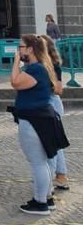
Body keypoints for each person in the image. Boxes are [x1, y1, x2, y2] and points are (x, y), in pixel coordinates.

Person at [10, 34, 69, 215]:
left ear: (30, 49)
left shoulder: (35, 69)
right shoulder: (40, 67)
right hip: (39, 117)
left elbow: (15, 82)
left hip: (33, 119)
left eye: (21, 47)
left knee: (38, 162)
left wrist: (15, 62)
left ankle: (40, 202)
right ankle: (45, 197)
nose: (18, 50)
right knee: (42, 162)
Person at [43, 35, 69, 191]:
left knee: (54, 143)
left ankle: (57, 176)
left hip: (52, 104)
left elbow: (59, 90)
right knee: (54, 142)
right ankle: (60, 175)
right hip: (47, 104)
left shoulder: (53, 66)